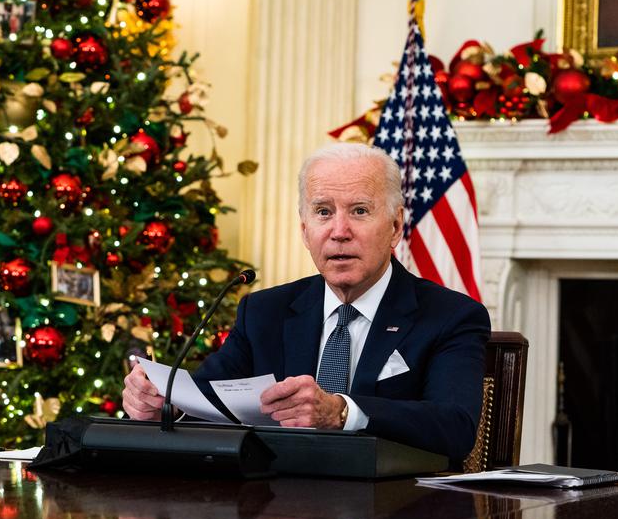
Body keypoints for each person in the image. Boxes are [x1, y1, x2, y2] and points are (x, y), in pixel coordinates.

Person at [122, 143, 490, 463]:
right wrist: (163, 405)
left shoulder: (451, 316)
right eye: (323, 212)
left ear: (395, 227)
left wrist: (343, 412)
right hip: (275, 512)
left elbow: (454, 427)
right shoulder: (265, 312)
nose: (339, 231)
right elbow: (209, 401)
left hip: (394, 515)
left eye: (359, 211)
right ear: (304, 229)